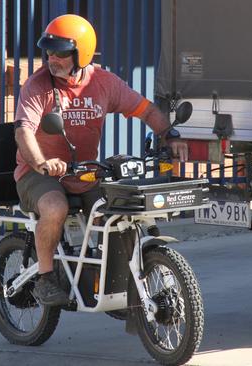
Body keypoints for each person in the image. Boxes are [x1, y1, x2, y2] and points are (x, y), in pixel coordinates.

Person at [14, 14, 188, 306]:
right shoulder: (38, 85)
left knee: (122, 206)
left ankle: (114, 276)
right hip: (38, 174)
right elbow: (23, 132)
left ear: (81, 53)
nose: (51, 58)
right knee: (55, 208)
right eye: (49, 51)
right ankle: (45, 278)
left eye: (60, 52)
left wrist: (170, 135)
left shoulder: (103, 82)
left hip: (84, 172)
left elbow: (146, 110)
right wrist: (42, 162)